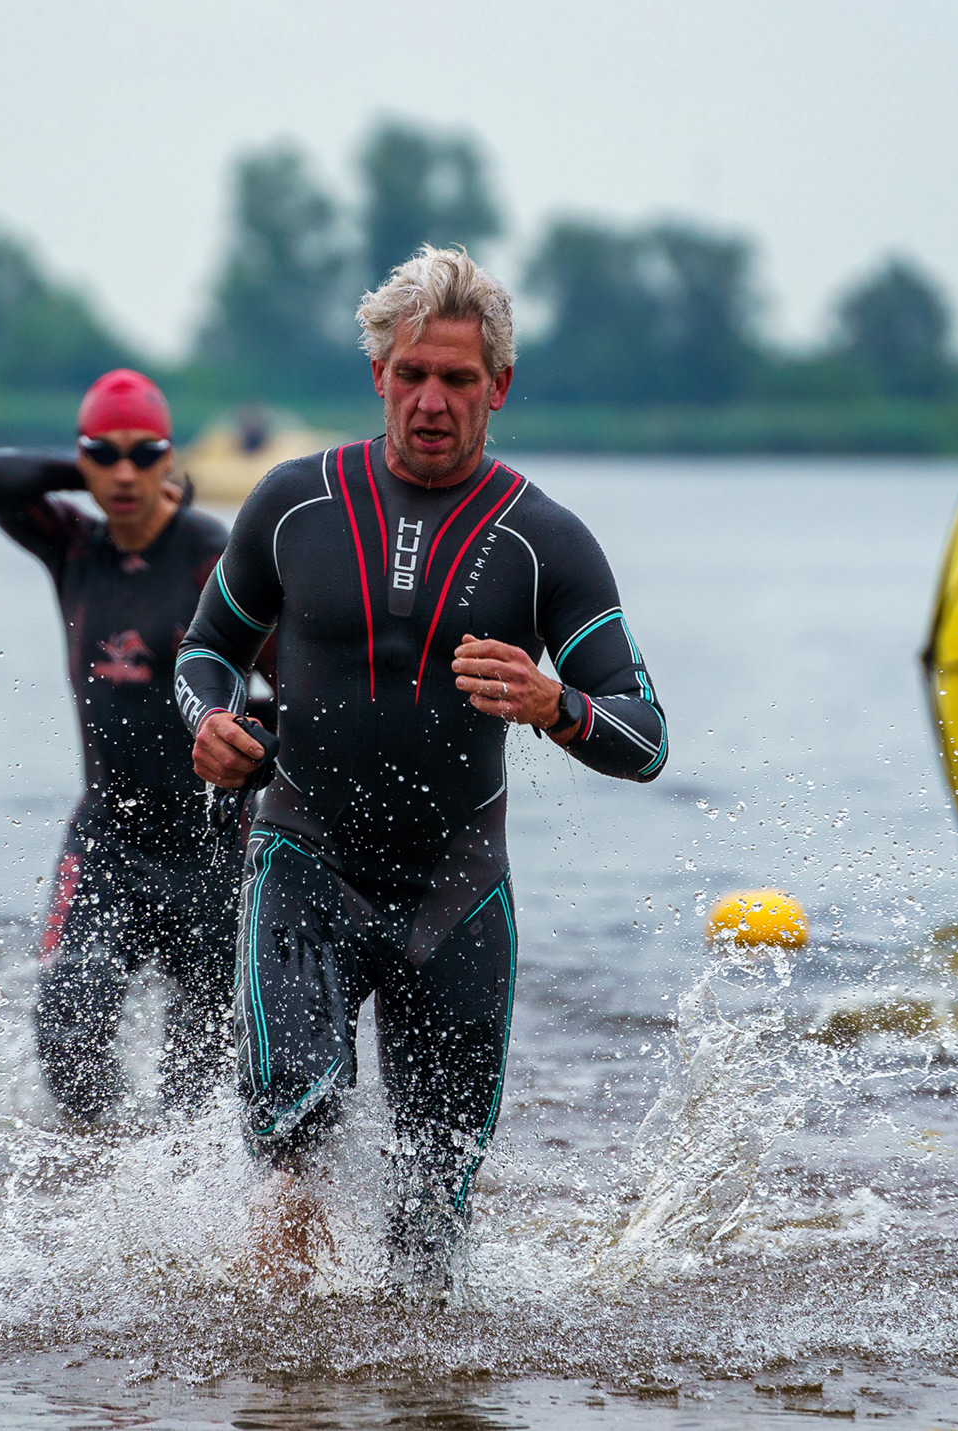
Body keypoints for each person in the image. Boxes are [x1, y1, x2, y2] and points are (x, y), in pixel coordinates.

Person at [174, 245, 667, 1293]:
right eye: (412, 375)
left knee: (433, 1215)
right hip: (303, 862)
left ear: (499, 386)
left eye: (456, 378)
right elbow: (206, 648)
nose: (431, 402)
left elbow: (646, 738)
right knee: (294, 1135)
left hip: (457, 889)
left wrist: (554, 704)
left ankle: (411, 1366)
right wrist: (209, 720)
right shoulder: (294, 503)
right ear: (378, 375)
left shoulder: (546, 542)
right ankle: (283, 1365)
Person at [0, 369, 248, 1124]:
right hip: (107, 840)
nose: (124, 474)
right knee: (68, 1034)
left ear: (170, 457)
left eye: (144, 454)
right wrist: (96, 473)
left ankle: (176, 1191)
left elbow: (285, 677)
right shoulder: (74, 546)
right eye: (105, 454)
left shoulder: (208, 554)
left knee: (199, 1089)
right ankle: (102, 1177)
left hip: (210, 848)